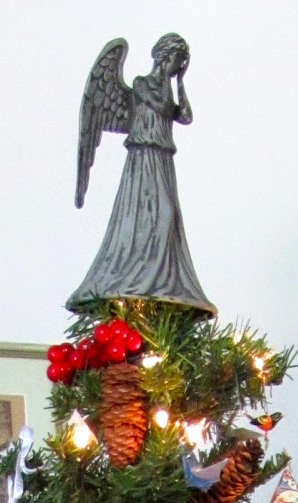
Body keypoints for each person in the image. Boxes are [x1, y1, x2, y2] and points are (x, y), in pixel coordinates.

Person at [68, 35, 215, 314]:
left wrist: (181, 82)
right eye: (177, 60)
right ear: (165, 56)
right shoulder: (141, 84)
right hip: (142, 157)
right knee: (147, 217)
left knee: (167, 218)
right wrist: (170, 83)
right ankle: (136, 279)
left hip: (162, 159)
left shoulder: (168, 88)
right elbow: (163, 106)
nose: (178, 66)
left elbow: (185, 116)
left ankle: (160, 282)